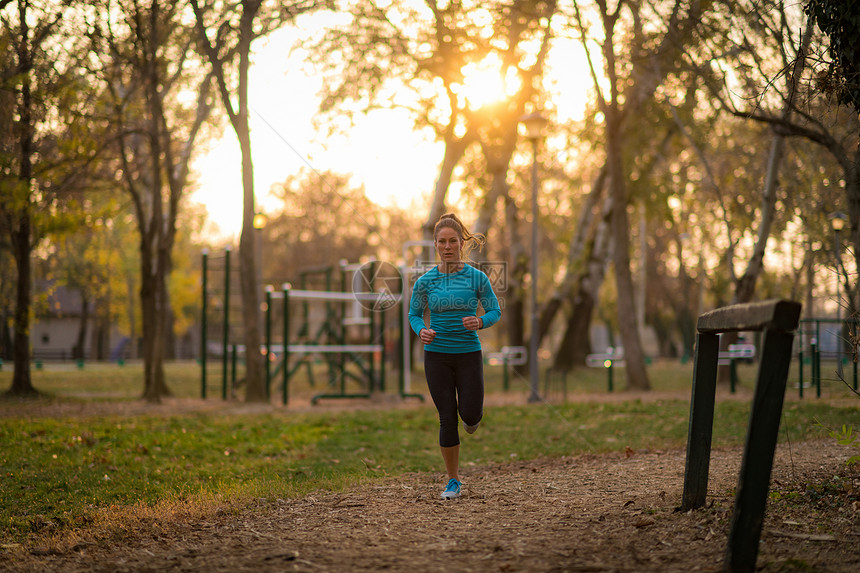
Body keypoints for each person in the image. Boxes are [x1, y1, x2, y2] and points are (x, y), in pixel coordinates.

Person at [408, 213, 501, 499]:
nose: (447, 246)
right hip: (436, 357)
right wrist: (421, 330)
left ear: (461, 243)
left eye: (453, 241)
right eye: (442, 242)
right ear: (435, 244)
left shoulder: (477, 277)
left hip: (468, 354)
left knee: (469, 416)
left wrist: (480, 322)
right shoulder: (425, 281)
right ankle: (453, 480)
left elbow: (495, 311)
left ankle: (472, 418)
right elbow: (413, 314)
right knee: (446, 417)